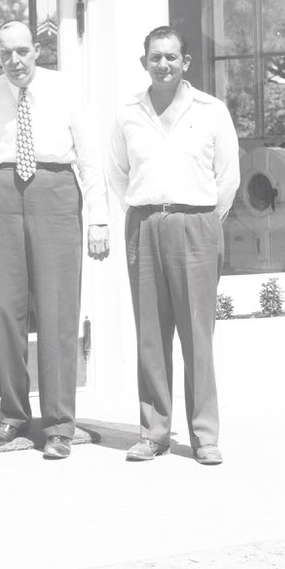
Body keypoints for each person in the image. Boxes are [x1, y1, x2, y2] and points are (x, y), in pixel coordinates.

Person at [0, 20, 109, 460]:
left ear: (37, 50)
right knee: (2, 309)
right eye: (5, 53)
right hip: (0, 193)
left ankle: (60, 423)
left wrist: (98, 218)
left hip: (56, 192)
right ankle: (13, 414)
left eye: (22, 51)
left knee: (59, 308)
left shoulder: (65, 90)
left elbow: (90, 155)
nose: (15, 61)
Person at [105, 25, 239, 467]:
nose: (163, 64)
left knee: (197, 334)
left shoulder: (212, 110)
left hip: (197, 224)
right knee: (150, 334)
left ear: (186, 62)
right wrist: (148, 211)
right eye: (155, 57)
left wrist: (201, 220)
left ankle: (204, 436)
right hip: (144, 224)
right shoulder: (128, 114)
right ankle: (154, 432)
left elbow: (228, 178)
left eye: (171, 57)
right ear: (143, 62)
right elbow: (117, 173)